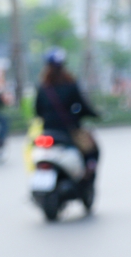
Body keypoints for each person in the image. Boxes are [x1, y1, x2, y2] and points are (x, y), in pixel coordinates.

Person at [34, 48, 100, 176]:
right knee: (92, 150)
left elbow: (37, 111)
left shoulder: (43, 87)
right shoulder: (71, 85)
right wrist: (94, 114)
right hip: (69, 131)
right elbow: (84, 107)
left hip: (48, 131)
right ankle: (88, 172)